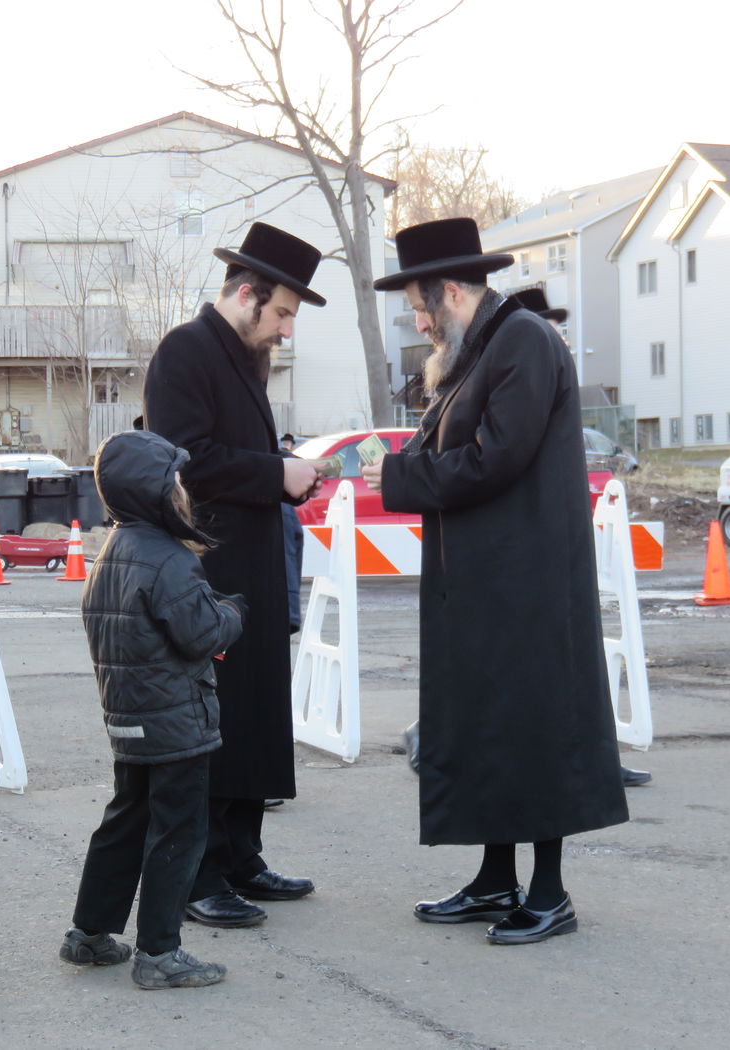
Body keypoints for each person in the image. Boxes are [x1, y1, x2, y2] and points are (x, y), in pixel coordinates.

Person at [362, 218, 628, 945]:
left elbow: (495, 459)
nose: (418, 322)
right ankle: (494, 879)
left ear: (451, 290)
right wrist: (397, 464)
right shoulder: (482, 347)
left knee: (534, 729)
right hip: (488, 579)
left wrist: (396, 475)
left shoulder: (524, 342)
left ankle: (548, 892)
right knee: (489, 728)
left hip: (529, 581)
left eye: (421, 306)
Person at [142, 222, 325, 929]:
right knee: (215, 720)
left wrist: (285, 475)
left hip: (251, 563)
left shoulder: (245, 356)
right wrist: (278, 472)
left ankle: (242, 856)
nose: (284, 331)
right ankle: (201, 872)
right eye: (280, 313)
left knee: (253, 713)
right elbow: (184, 459)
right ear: (247, 296)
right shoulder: (185, 351)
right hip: (210, 565)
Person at [62, 430, 244, 989]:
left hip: (128, 717)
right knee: (178, 831)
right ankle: (160, 952)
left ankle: (89, 934)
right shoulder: (168, 559)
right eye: (177, 482)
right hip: (176, 722)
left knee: (125, 820)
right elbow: (201, 634)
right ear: (158, 492)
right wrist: (233, 612)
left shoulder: (111, 551)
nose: (184, 492)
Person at [510, 288, 652, 789]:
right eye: (549, 323)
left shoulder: (547, 365)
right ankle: (433, 733)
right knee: (544, 663)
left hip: (557, 539)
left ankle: (596, 759)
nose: (558, 333)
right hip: (536, 544)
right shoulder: (525, 365)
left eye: (558, 325)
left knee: (565, 663)